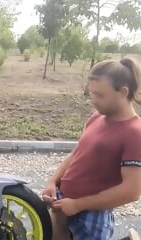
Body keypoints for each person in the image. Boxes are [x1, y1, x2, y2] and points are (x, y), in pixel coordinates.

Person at [41, 57, 141, 240]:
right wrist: (53, 182)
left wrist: (78, 204)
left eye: (100, 95)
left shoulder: (135, 132)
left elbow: (132, 191)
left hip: (92, 213)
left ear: (123, 92)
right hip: (64, 202)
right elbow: (77, 154)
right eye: (92, 93)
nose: (93, 100)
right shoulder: (96, 117)